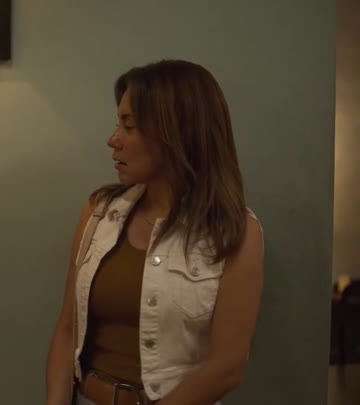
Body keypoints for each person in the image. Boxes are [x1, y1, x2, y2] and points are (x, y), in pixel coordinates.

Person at [46, 60, 264, 405]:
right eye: (118, 124)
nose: (113, 140)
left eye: (129, 126)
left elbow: (227, 367)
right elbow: (67, 328)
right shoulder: (99, 212)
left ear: (175, 133)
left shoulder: (235, 232)